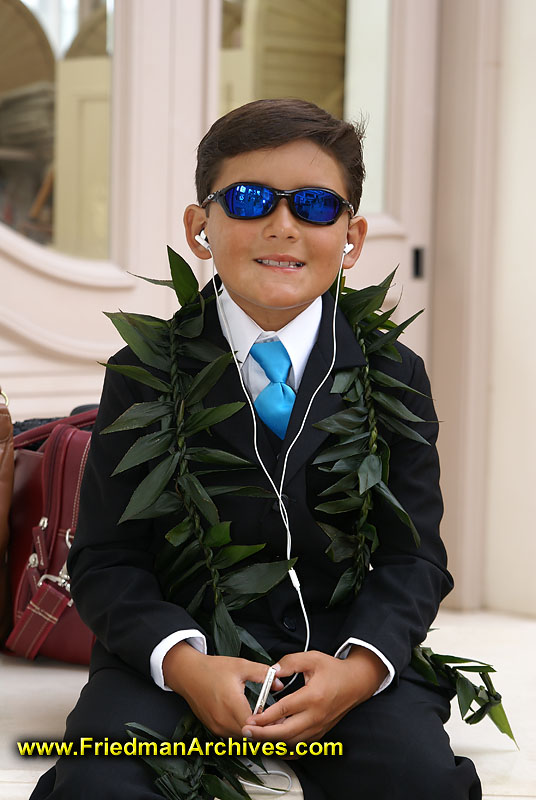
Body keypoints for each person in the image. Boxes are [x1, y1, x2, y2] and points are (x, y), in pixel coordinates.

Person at [31, 98, 481, 799]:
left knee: (417, 782)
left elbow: (413, 556)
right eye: (246, 200)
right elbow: (106, 561)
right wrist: (182, 663)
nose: (283, 226)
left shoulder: (394, 375)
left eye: (314, 206)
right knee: (100, 787)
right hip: (181, 660)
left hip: (340, 653)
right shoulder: (145, 374)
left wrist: (359, 670)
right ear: (200, 226)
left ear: (352, 236)